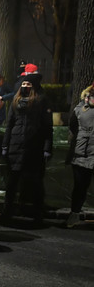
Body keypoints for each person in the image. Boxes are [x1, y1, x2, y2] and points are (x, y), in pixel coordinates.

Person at [0, 72, 53, 224]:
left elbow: (47, 127)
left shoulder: (42, 101)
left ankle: (36, 213)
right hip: (15, 146)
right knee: (12, 182)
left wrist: (46, 148)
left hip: (33, 147)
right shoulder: (16, 102)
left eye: (28, 85)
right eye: (23, 84)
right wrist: (5, 144)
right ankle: (7, 211)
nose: (25, 87)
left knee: (35, 182)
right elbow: (9, 125)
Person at [64, 84, 94, 228]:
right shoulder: (81, 108)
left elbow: (73, 127)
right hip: (82, 153)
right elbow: (73, 126)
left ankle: (74, 215)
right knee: (80, 187)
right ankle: (74, 214)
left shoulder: (80, 107)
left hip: (81, 151)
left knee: (79, 187)